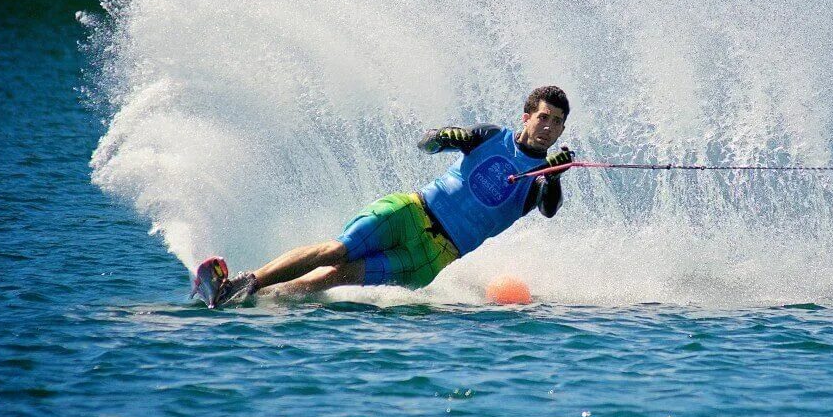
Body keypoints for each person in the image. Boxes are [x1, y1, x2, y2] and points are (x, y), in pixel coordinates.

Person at [195, 86, 574, 306]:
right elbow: (425, 144)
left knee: (334, 278)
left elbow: (549, 209)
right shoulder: (492, 135)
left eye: (557, 122)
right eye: (544, 117)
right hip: (411, 210)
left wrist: (555, 175)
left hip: (434, 255)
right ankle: (245, 284)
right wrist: (447, 136)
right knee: (336, 251)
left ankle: (266, 301)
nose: (549, 127)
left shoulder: (543, 178)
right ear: (526, 117)